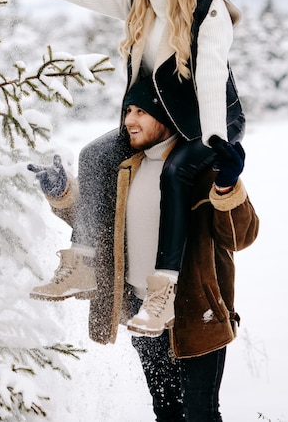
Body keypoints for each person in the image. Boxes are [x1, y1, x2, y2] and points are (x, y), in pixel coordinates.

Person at [0, 0, 245, 334]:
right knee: (94, 155)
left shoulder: (208, 8)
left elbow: (213, 73)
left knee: (176, 174)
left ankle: (162, 289)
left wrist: (217, 141)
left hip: (209, 121)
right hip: (156, 120)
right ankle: (84, 262)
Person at [28, 78, 259, 421]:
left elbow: (241, 236)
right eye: (127, 111)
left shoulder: (198, 171)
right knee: (165, 411)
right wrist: (63, 194)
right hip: (143, 313)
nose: (129, 121)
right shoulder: (126, 169)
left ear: (168, 113)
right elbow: (98, 228)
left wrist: (227, 186)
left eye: (141, 112)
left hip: (195, 315)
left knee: (200, 413)